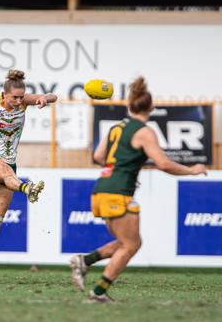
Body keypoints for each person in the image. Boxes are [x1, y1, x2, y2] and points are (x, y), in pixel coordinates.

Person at [69, 77, 207, 303]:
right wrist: (192, 170)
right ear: (151, 107)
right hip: (118, 191)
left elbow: (98, 157)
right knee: (132, 244)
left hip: (101, 189)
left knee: (125, 243)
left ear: (129, 106)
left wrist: (122, 165)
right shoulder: (144, 132)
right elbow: (163, 164)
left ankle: (84, 261)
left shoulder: (116, 128)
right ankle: (98, 293)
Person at [0, 69, 57, 284]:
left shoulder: (25, 101)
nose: (18, 101)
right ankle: (27, 188)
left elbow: (53, 97)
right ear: (4, 94)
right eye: (14, 97)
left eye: (21, 97)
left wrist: (44, 98)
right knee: (4, 171)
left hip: (9, 164)